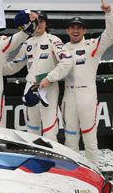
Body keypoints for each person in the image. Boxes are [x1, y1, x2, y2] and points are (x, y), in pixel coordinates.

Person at [42, 0, 113, 164]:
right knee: (70, 142)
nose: (75, 31)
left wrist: (109, 13)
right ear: (67, 30)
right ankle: (74, 175)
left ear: (84, 30)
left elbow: (112, 35)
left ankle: (94, 174)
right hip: (68, 96)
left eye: (79, 28)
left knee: (90, 141)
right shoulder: (61, 49)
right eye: (72, 28)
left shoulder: (92, 46)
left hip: (87, 97)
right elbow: (48, 68)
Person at [6, 11, 73, 139]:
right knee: (32, 131)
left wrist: (49, 78)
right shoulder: (27, 43)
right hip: (30, 87)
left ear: (46, 24)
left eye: (42, 21)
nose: (39, 24)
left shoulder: (53, 40)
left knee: (49, 131)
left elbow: (67, 61)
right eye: (37, 21)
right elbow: (14, 65)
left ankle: (51, 158)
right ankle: (35, 157)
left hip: (48, 88)